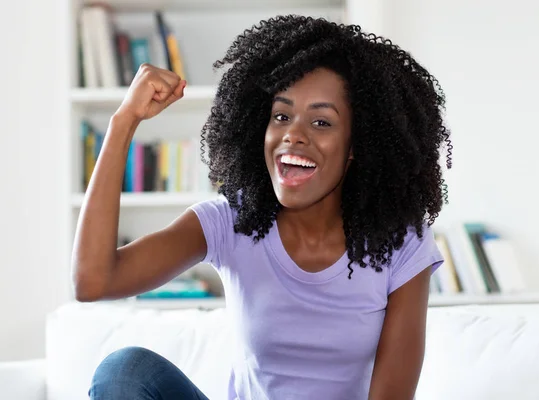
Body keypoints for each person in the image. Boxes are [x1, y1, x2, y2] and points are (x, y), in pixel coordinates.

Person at [73, 15, 452, 400]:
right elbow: (93, 281)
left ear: (357, 146)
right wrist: (124, 121)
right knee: (125, 371)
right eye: (282, 116)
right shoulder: (230, 223)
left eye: (322, 122)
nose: (293, 134)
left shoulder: (400, 242)